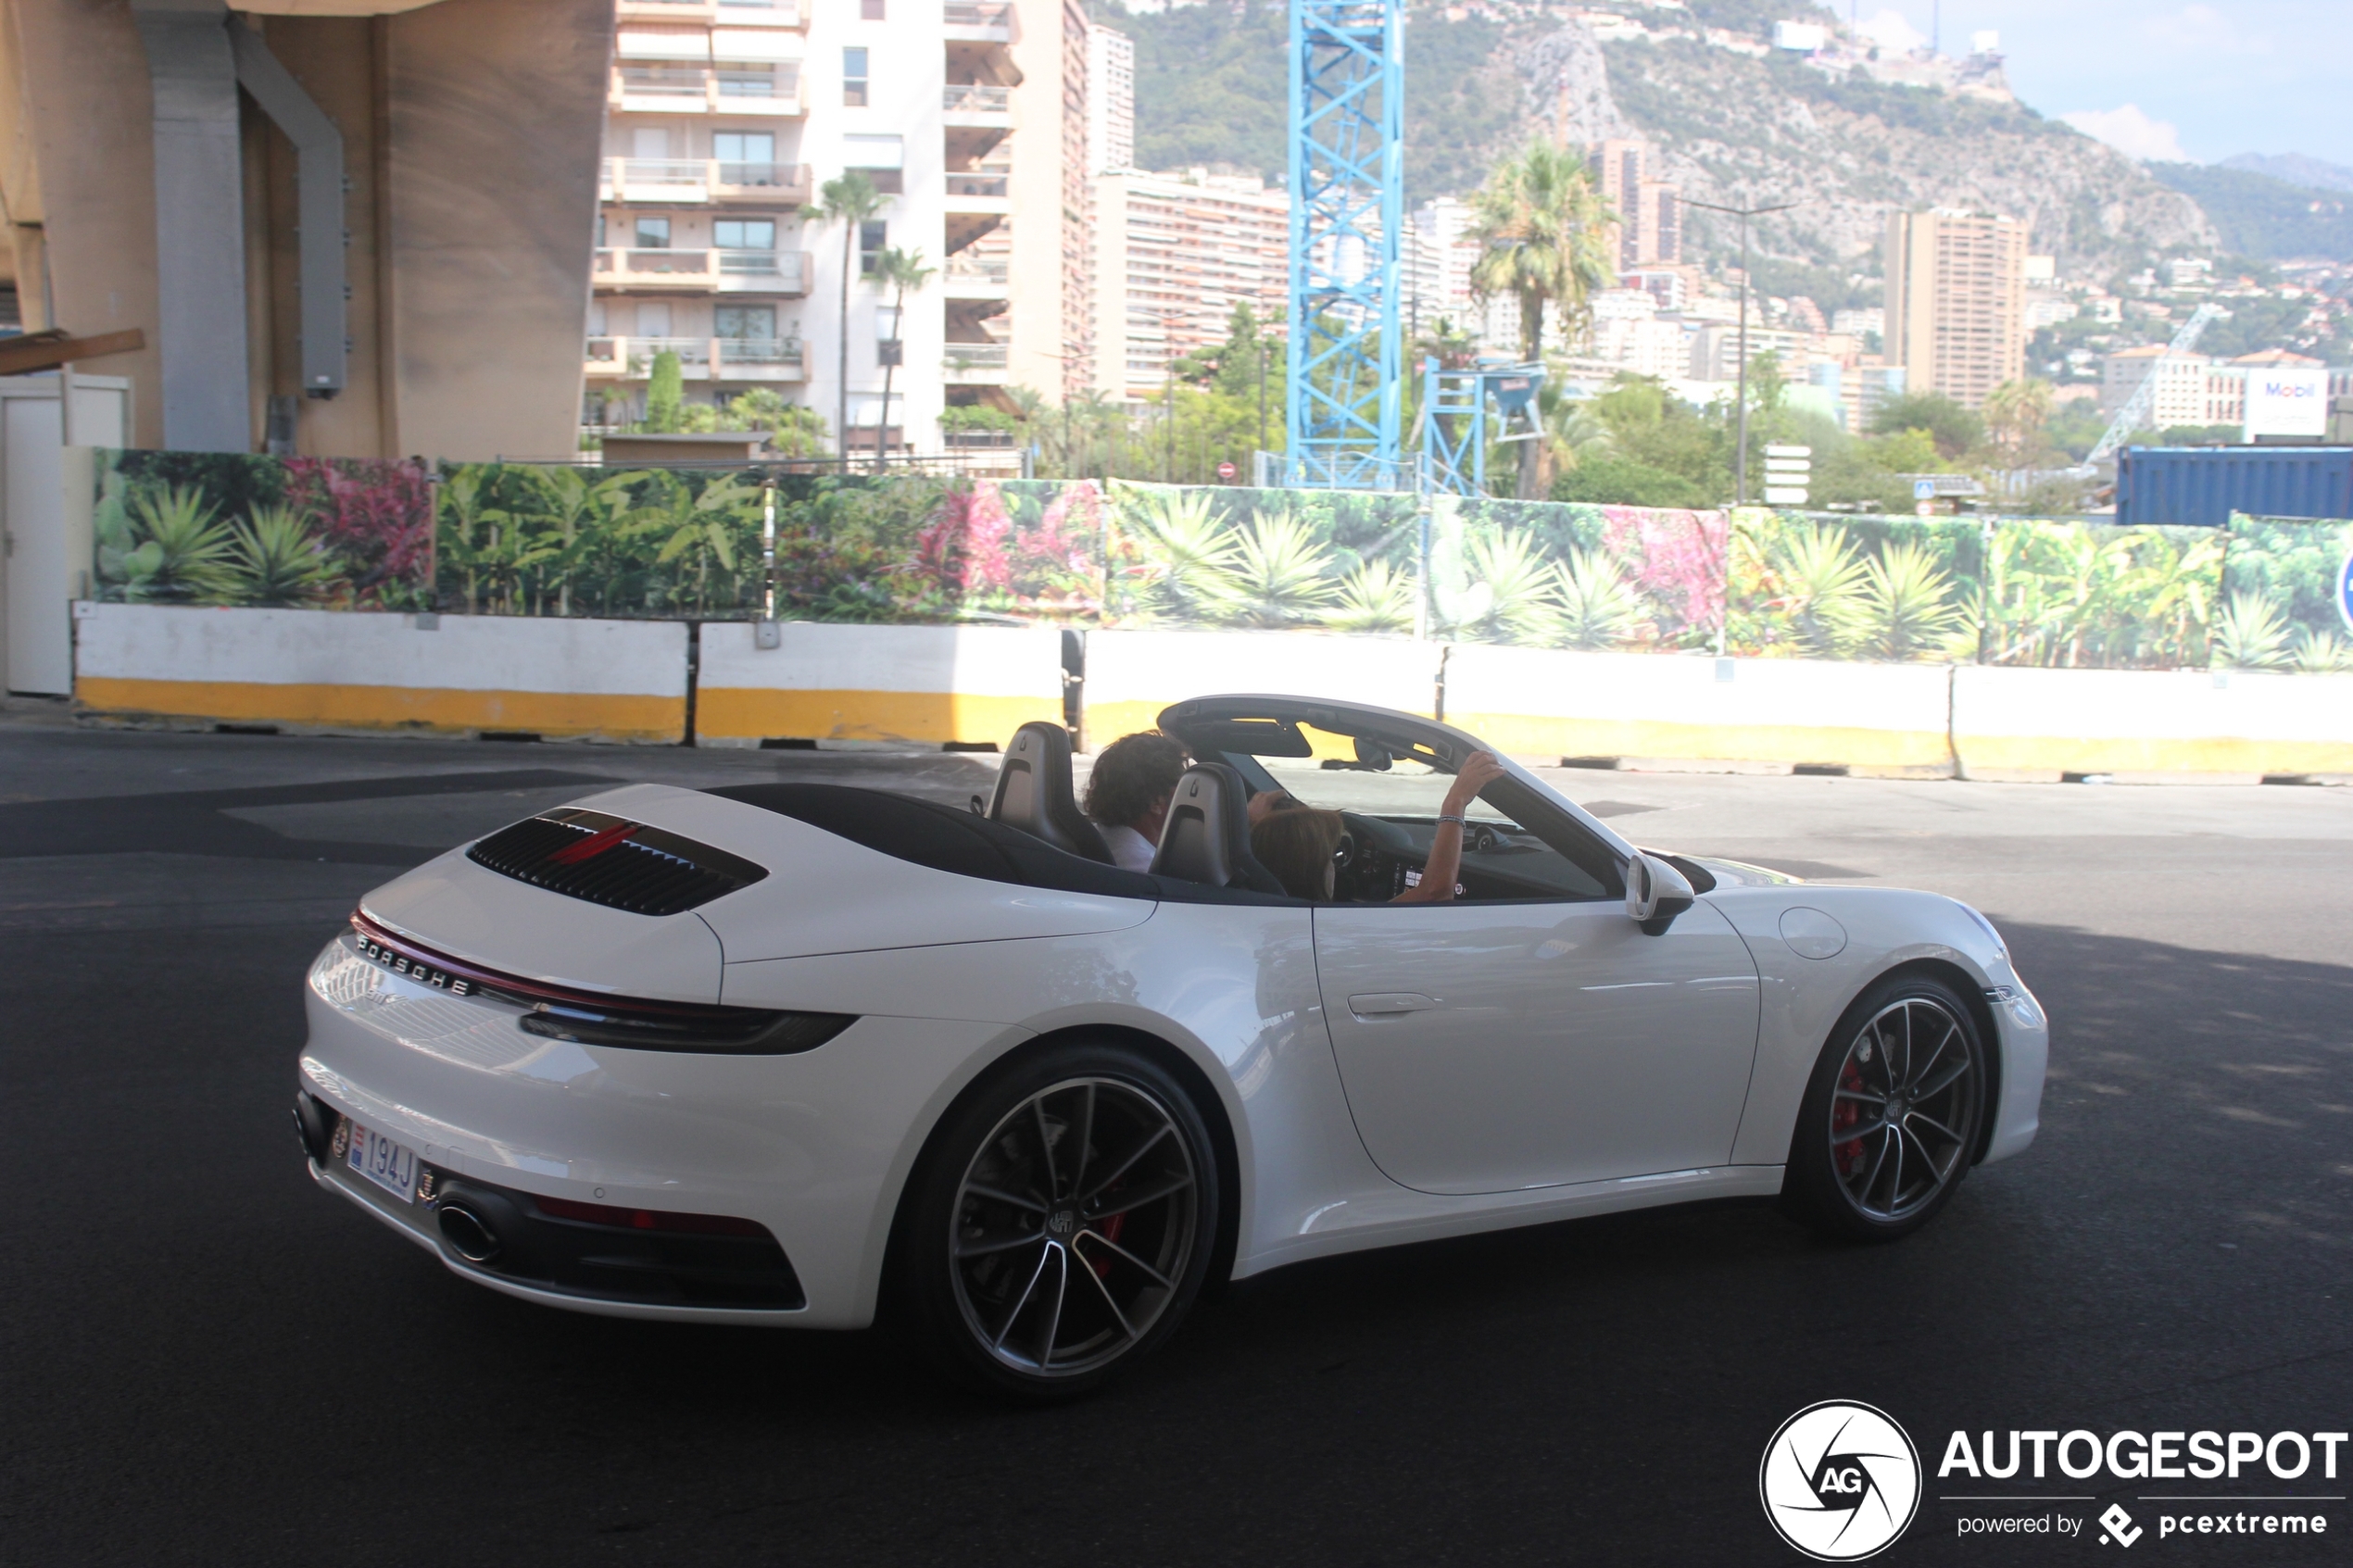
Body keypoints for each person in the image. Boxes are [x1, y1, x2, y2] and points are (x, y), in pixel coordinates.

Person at [1250, 750, 1507, 902]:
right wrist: (1456, 801)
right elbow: (1435, 890)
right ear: (1308, 870)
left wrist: (1255, 826)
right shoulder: (1327, 924)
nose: (1336, 864)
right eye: (1330, 858)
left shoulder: (1253, 890)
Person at [1083, 730, 1189, 872]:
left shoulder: (1092, 838)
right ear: (1156, 802)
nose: (1186, 793)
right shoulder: (1147, 868)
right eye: (1181, 784)